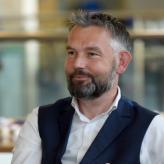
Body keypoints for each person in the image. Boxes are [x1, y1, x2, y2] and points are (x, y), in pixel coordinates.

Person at [11, 10, 164, 164]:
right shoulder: (40, 120)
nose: (77, 63)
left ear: (122, 62)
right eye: (71, 52)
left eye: (92, 54)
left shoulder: (151, 127)